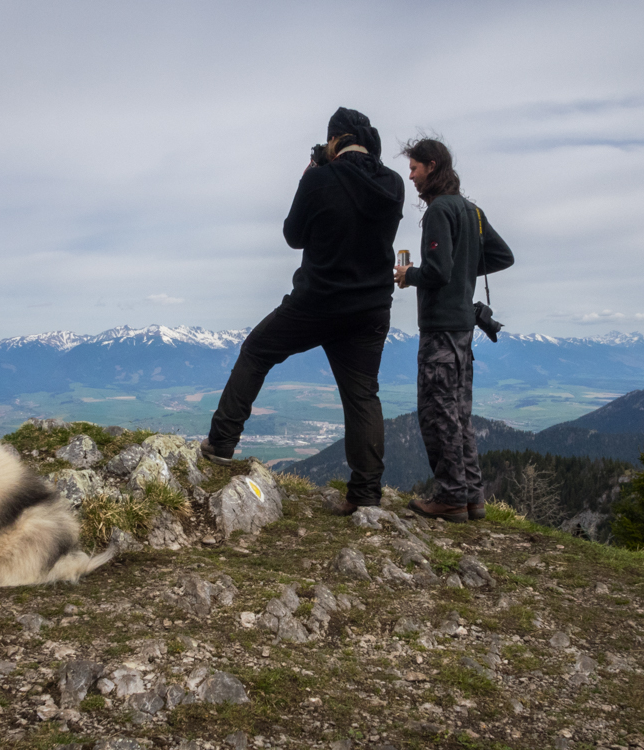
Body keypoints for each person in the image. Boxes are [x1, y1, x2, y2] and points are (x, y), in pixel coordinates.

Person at [202, 108, 405, 513]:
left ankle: (221, 444)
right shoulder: (394, 184)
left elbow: (294, 236)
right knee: (363, 395)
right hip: (371, 309)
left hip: (317, 302)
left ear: (335, 140)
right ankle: (365, 495)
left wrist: (310, 174)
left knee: (257, 351)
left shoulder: (319, 178)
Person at [393, 138, 514, 522]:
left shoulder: (439, 212)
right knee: (459, 414)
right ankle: (472, 497)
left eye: (414, 168)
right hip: (463, 329)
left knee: (436, 413)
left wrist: (407, 274)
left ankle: (450, 497)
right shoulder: (471, 210)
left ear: (432, 166)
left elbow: (437, 272)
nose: (410, 176)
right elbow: (501, 255)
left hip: (440, 329)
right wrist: (464, 268)